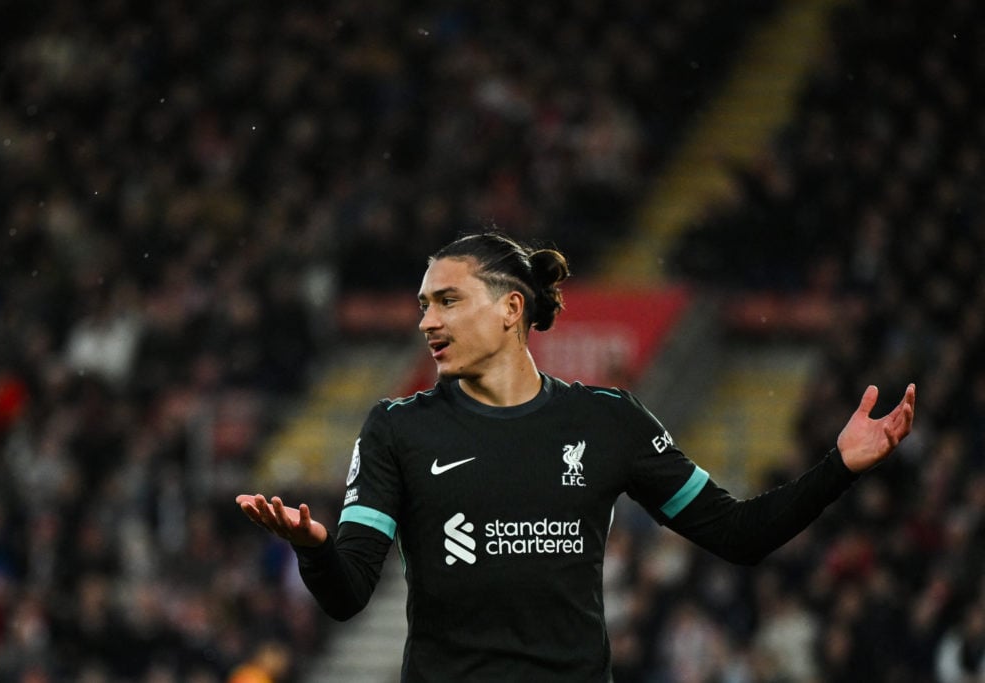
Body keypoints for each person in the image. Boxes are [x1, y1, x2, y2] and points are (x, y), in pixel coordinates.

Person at [236, 232, 916, 682]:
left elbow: (739, 534)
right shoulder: (396, 427)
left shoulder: (607, 420)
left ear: (510, 308)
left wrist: (839, 465)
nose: (426, 322)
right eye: (422, 305)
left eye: (446, 300)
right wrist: (315, 549)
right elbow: (348, 593)